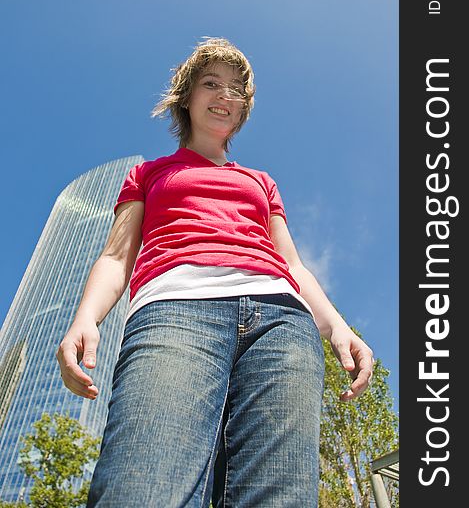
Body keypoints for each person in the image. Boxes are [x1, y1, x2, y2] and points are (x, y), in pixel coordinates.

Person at [56, 37, 374, 507]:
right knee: (142, 488)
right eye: (212, 84)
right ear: (187, 97)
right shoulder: (149, 174)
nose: (225, 96)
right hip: (176, 310)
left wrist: (338, 327)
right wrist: (86, 318)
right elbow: (115, 256)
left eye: (236, 90)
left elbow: (290, 263)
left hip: (281, 321)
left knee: (276, 497)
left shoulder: (260, 181)